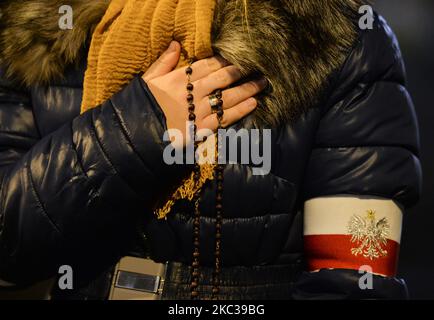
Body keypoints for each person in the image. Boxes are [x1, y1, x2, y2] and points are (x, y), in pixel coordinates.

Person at [0, 0, 421, 300]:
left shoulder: (336, 33)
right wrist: (134, 129)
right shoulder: (34, 29)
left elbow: (352, 281)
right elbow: (9, 247)